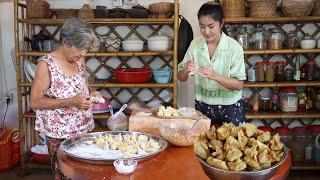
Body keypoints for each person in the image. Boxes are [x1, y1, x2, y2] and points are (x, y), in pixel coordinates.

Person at [30, 18, 102, 178]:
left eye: (87, 49)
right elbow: (34, 102)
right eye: (81, 48)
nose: (84, 53)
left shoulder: (79, 59)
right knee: (65, 175)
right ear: (65, 42)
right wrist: (71, 101)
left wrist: (93, 93)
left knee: (85, 174)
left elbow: (85, 84)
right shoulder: (46, 64)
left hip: (84, 129)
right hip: (60, 135)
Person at [178, 2, 246, 126]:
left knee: (231, 144)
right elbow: (180, 77)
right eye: (202, 26)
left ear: (221, 23)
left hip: (230, 108)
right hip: (202, 107)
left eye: (211, 26)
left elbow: (239, 84)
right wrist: (186, 69)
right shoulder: (195, 45)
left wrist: (215, 76)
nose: (206, 32)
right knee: (204, 144)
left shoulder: (234, 48)